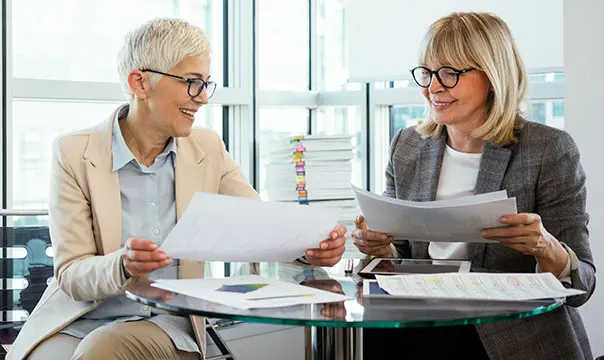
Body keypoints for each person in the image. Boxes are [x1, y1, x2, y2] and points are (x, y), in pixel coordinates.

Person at [9, 18, 347, 360]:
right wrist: (122, 266)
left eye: (205, 84)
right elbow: (71, 273)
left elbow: (260, 224)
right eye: (191, 83)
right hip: (79, 317)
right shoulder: (74, 152)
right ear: (140, 83)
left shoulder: (207, 148)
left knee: (103, 351)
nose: (202, 99)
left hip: (165, 322)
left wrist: (311, 247)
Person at [353, 12, 595, 360]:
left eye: (449, 74)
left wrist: (544, 246)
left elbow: (582, 283)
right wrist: (379, 248)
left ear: (492, 76)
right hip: (417, 328)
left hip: (512, 338)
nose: (433, 87)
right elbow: (402, 257)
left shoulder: (548, 149)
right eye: (427, 72)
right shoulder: (406, 146)